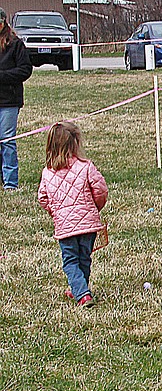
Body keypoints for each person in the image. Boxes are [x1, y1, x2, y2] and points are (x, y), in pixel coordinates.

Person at [36, 121, 108, 308]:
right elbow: (100, 190)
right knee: (84, 257)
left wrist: (56, 212)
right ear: (75, 143)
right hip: (88, 224)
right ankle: (80, 288)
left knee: (70, 261)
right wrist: (94, 208)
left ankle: (81, 292)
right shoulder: (86, 166)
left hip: (65, 227)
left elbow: (43, 198)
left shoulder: (47, 173)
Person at [0, 7, 34, 191]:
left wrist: (2, 76)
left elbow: (25, 70)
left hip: (9, 101)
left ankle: (10, 182)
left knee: (7, 140)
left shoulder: (15, 44)